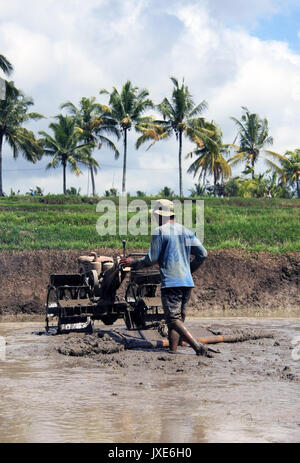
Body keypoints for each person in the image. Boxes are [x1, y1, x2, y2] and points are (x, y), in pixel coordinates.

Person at [120, 199, 211, 357]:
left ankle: (197, 346)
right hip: (187, 282)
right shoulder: (186, 231)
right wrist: (188, 270)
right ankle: (173, 351)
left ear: (159, 215)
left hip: (171, 282)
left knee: (172, 319)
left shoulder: (160, 232)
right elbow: (203, 254)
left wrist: (132, 263)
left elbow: (150, 259)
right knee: (177, 320)